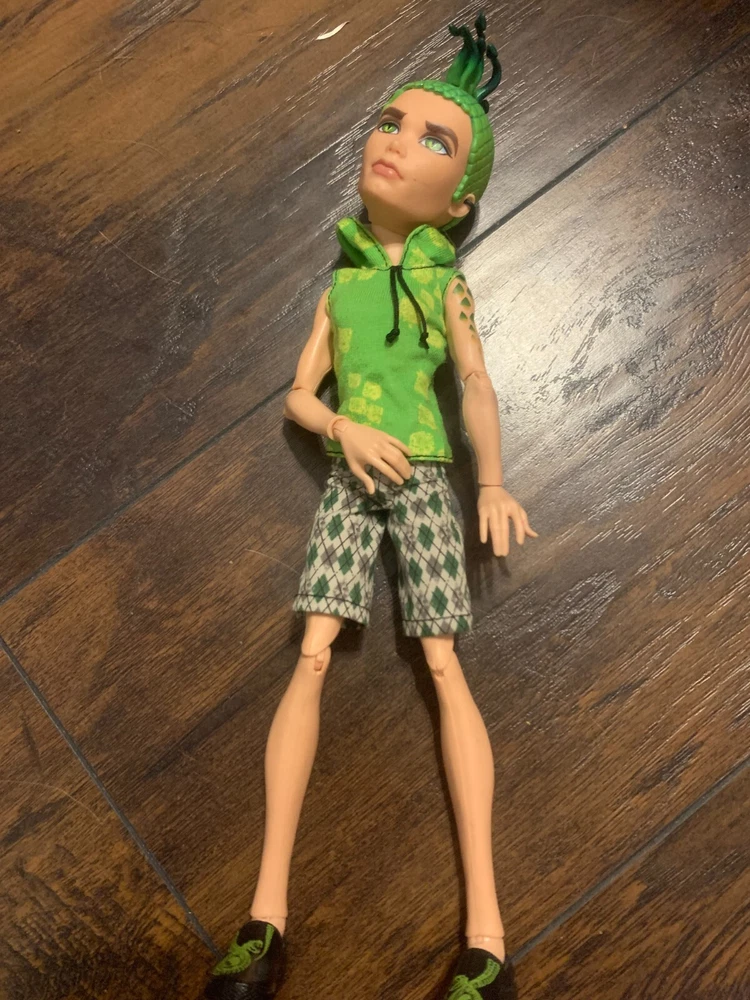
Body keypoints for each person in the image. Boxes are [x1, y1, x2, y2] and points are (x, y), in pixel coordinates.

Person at [204, 11, 537, 1000]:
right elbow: (298, 398)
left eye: (434, 140)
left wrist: (490, 480)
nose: (396, 141)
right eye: (391, 121)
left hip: (426, 477)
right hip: (354, 480)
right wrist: (342, 428)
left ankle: (487, 938)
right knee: (310, 655)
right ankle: (265, 917)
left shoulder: (444, 286)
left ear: (461, 202)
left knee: (443, 661)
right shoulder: (340, 289)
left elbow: (475, 383)